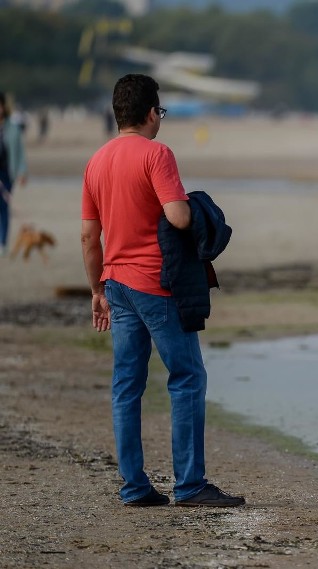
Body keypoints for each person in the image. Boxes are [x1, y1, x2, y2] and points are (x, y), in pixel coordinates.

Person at [80, 74, 244, 508]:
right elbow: (177, 217)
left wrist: (96, 289)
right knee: (188, 377)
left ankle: (134, 486)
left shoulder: (96, 161)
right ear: (152, 112)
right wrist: (199, 208)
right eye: (161, 112)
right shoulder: (157, 154)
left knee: (127, 385)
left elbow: (87, 236)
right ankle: (190, 485)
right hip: (156, 282)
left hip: (115, 283)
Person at [0, 92, 28, 256]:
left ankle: (2, 242)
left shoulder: (13, 127)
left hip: (6, 172)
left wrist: (22, 172)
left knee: (3, 206)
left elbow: (20, 151)